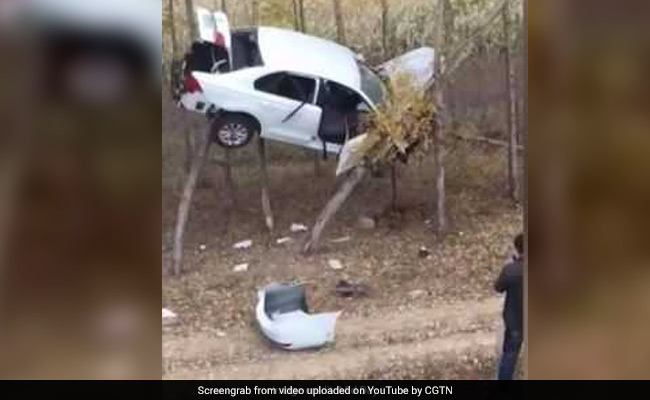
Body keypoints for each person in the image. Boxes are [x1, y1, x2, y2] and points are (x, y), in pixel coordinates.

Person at [495, 233, 524, 380]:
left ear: (517, 249)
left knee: (510, 355)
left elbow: (498, 287)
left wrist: (511, 264)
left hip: (515, 321)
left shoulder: (510, 269)